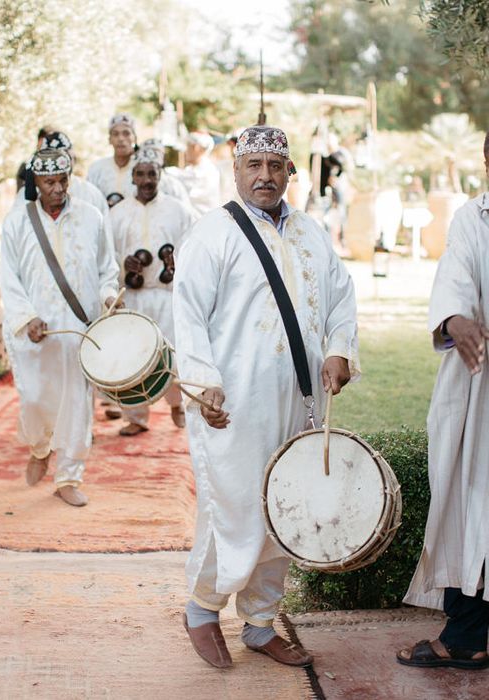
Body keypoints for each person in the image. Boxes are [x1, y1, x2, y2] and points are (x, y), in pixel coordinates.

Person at [174, 125, 359, 669]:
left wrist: (339, 349)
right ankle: (203, 610)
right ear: (235, 171)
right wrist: (202, 381)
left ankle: (259, 622)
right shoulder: (212, 235)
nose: (265, 177)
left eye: (275, 167)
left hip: (300, 398)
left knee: (286, 506)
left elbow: (341, 297)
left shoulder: (310, 232)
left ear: (290, 173)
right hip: (233, 402)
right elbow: (186, 315)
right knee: (230, 503)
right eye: (253, 166)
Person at [396, 132, 489, 671]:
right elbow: (455, 273)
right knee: (466, 496)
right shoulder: (471, 218)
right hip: (477, 379)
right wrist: (455, 317)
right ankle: (466, 633)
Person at [0, 148, 120, 507]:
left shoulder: (92, 216)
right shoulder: (17, 221)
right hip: (35, 332)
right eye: (49, 182)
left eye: (63, 180)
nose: (57, 188)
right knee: (35, 398)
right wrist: (25, 318)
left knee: (77, 404)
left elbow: (106, 268)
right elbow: (9, 278)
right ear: (35, 183)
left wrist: (110, 296)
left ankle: (69, 476)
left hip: (79, 328)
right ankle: (40, 447)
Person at [109, 146, 196, 436]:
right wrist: (125, 264)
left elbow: (193, 247)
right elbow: (107, 256)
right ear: (132, 177)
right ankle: (135, 417)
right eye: (141, 174)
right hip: (133, 297)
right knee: (133, 355)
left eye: (152, 174)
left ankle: (178, 404)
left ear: (160, 175)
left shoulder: (178, 210)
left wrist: (177, 260)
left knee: (173, 353)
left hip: (167, 295)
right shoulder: (117, 214)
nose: (147, 180)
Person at [87, 113, 137, 203]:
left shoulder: (142, 170)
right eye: (115, 134)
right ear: (109, 139)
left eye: (126, 133)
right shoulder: (96, 169)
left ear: (134, 138)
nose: (121, 138)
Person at [173, 131, 222, 214]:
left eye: (188, 147)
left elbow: (181, 181)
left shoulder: (207, 171)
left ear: (196, 148)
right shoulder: (190, 169)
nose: (186, 151)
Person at [139, 138, 193, 209]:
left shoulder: (174, 184)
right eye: (148, 152)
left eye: (157, 153)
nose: (152, 157)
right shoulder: (131, 182)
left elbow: (186, 212)